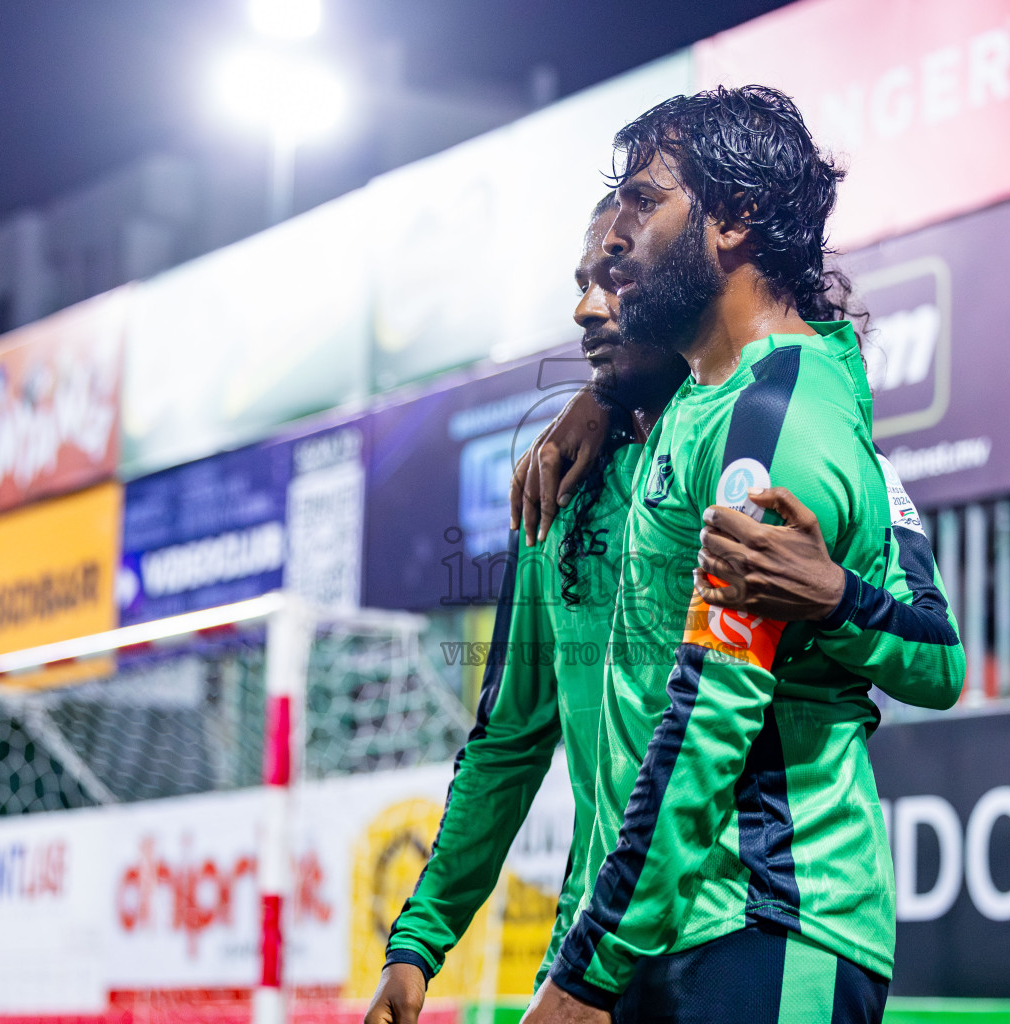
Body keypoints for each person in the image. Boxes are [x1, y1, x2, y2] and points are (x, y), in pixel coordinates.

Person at [365, 185, 961, 1024]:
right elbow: (506, 740)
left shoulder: (796, 436)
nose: (588, 307)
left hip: (773, 912)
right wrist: (419, 943)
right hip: (607, 937)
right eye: (587, 278)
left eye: (619, 274)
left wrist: (834, 598)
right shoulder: (559, 495)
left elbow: (938, 661)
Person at [518, 86, 963, 1024]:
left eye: (645, 200)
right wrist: (598, 402)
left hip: (768, 916)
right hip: (672, 916)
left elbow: (710, 715)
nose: (612, 238)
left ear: (734, 221)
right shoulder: (703, 404)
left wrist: (586, 968)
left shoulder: (775, 418)